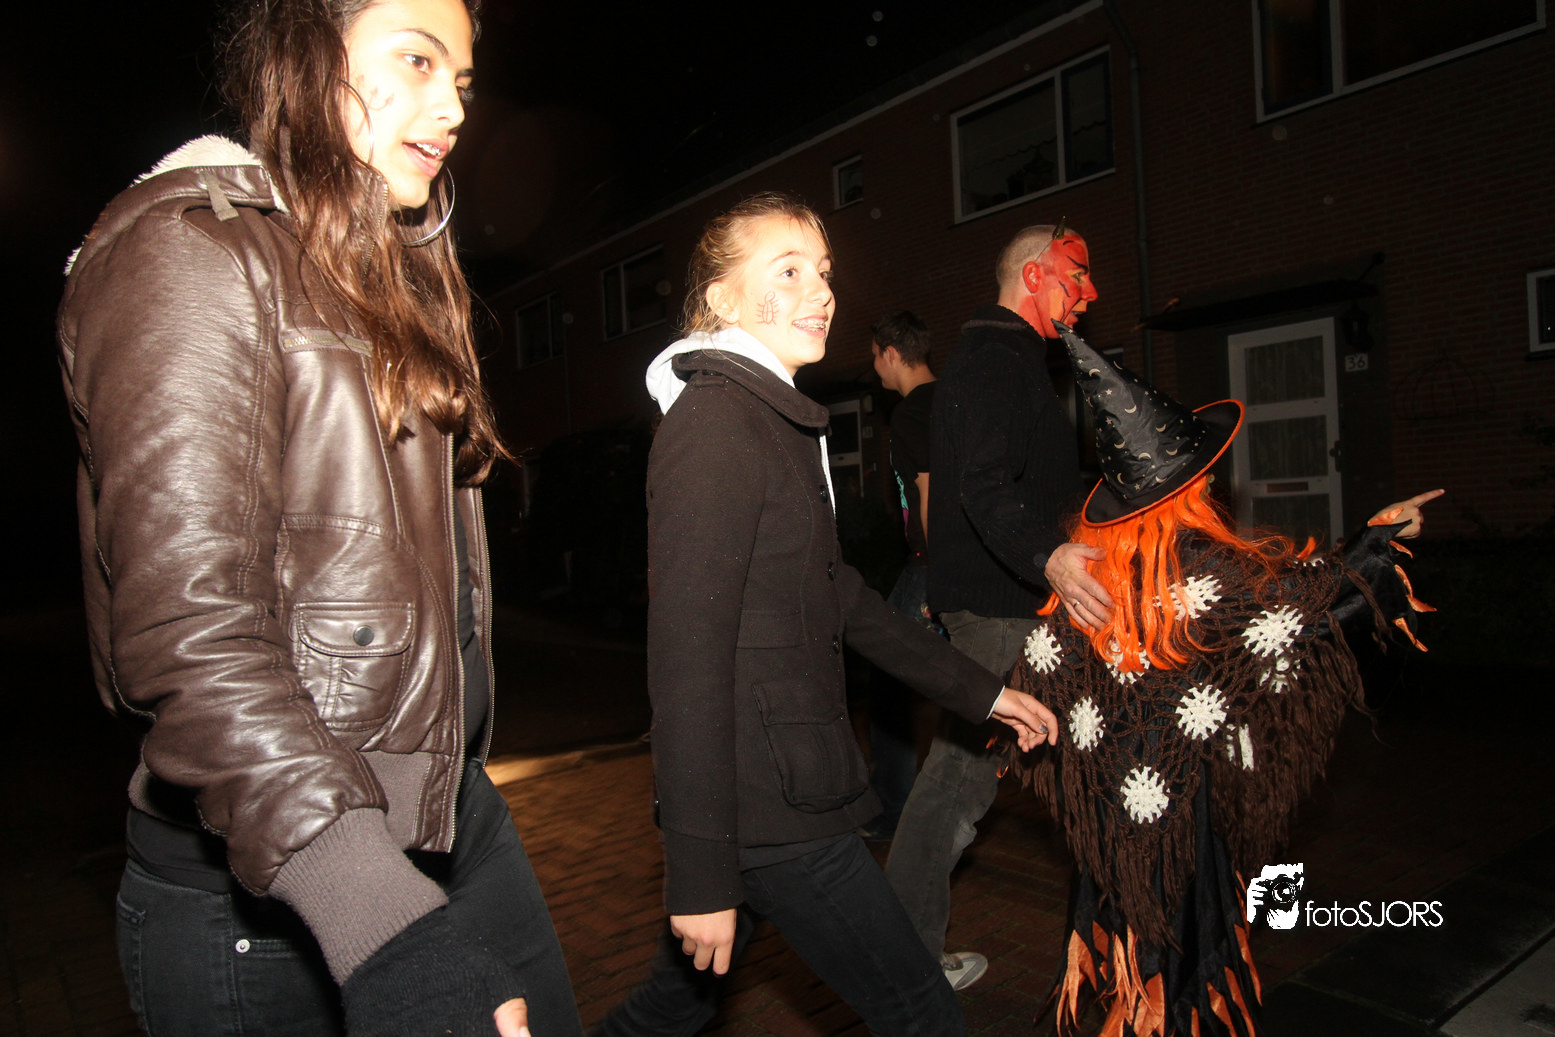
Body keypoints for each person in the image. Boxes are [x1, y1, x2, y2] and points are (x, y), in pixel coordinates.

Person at [55, 2, 580, 1035]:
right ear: (302, 51)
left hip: (455, 821)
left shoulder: (386, 272)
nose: (452, 109)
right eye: (416, 60)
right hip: (277, 881)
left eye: (461, 82)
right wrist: (377, 918)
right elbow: (189, 636)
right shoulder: (188, 250)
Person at [596, 193, 1059, 1037]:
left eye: (822, 271)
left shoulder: (766, 415)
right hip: (770, 801)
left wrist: (982, 693)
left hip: (773, 783)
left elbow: (838, 593)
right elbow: (686, 657)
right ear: (722, 298)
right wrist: (699, 873)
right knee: (920, 1008)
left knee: (673, 1005)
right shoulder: (715, 425)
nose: (819, 291)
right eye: (787, 271)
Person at [1009, 322, 1441, 1035]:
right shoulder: (1202, 567)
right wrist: (1380, 541)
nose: (1212, 479)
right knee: (1183, 945)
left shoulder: (1089, 571)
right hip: (1176, 806)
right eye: (1202, 473)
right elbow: (1307, 603)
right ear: (1182, 492)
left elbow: (1035, 672)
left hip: (1113, 808)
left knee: (1136, 935)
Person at [885, 222, 1111, 988]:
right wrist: (1047, 555)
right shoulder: (990, 358)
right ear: (1034, 274)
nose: (1089, 293)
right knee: (955, 781)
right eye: (1076, 275)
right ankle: (903, 965)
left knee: (1062, 759)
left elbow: (1028, 485)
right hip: (997, 608)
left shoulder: (1011, 357)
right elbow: (980, 486)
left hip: (1013, 604)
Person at [861, 310, 939, 841]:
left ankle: (892, 809)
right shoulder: (952, 400)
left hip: (930, 567)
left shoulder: (912, 413)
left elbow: (930, 491)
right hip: (947, 564)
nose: (875, 368)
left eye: (875, 356)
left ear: (891, 353)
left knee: (887, 676)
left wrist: (936, 572)